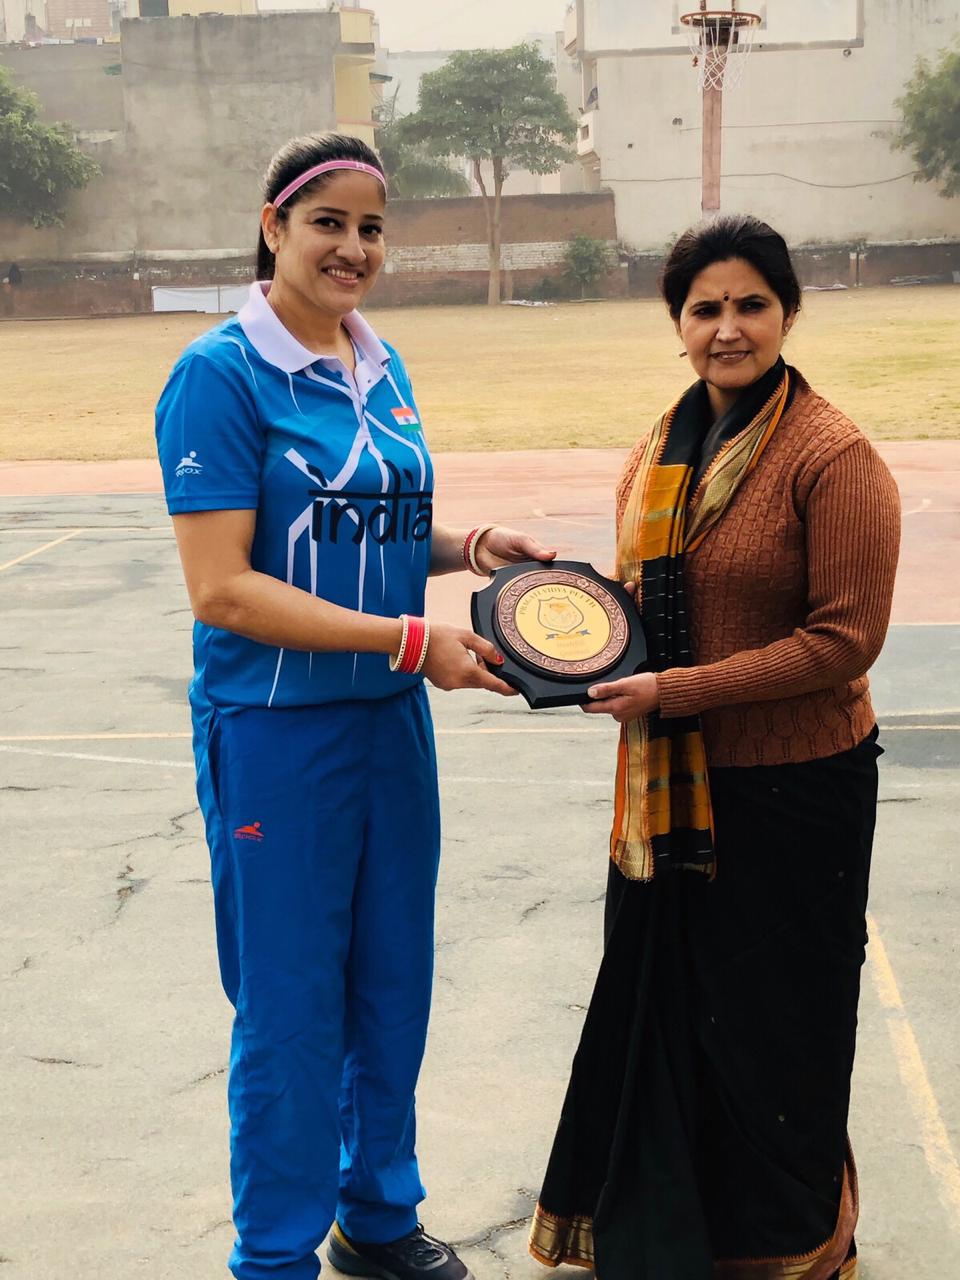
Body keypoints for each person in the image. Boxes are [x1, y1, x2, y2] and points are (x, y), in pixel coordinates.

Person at [155, 132, 554, 1280]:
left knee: (391, 981)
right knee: (288, 1009)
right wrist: (412, 640)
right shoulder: (220, 374)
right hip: (277, 732)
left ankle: (375, 1215)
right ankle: (274, 1254)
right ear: (273, 225)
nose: (352, 247)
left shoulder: (383, 367)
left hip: (389, 724)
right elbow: (225, 584)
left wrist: (472, 545)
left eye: (371, 227)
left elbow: (357, 531)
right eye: (327, 221)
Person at [528, 214, 901, 1280]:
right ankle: (678, 1230)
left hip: (796, 792)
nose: (728, 327)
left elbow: (845, 640)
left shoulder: (832, 455)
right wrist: (552, 634)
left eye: (750, 304)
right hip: (668, 787)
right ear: (677, 323)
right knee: (675, 1013)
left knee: (777, 1024)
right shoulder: (662, 446)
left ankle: (790, 1241)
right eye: (706, 308)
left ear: (786, 313)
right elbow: (641, 601)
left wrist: (672, 688)